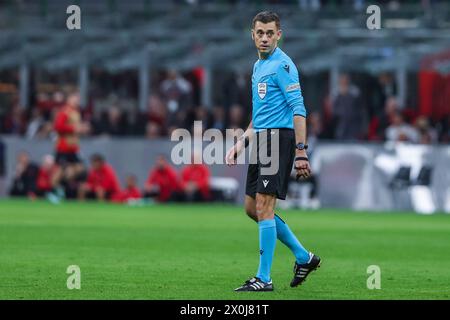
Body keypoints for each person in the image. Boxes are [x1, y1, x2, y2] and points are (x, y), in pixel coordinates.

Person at [225, 11, 320, 292]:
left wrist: (301, 151)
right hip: (261, 140)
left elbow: (299, 109)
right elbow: (259, 114)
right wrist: (241, 143)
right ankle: (304, 257)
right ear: (252, 35)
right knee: (252, 208)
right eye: (260, 33)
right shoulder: (257, 66)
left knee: (265, 208)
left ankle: (263, 278)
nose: (264, 38)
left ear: (279, 34)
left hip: (279, 139)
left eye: (270, 33)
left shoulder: (283, 65)